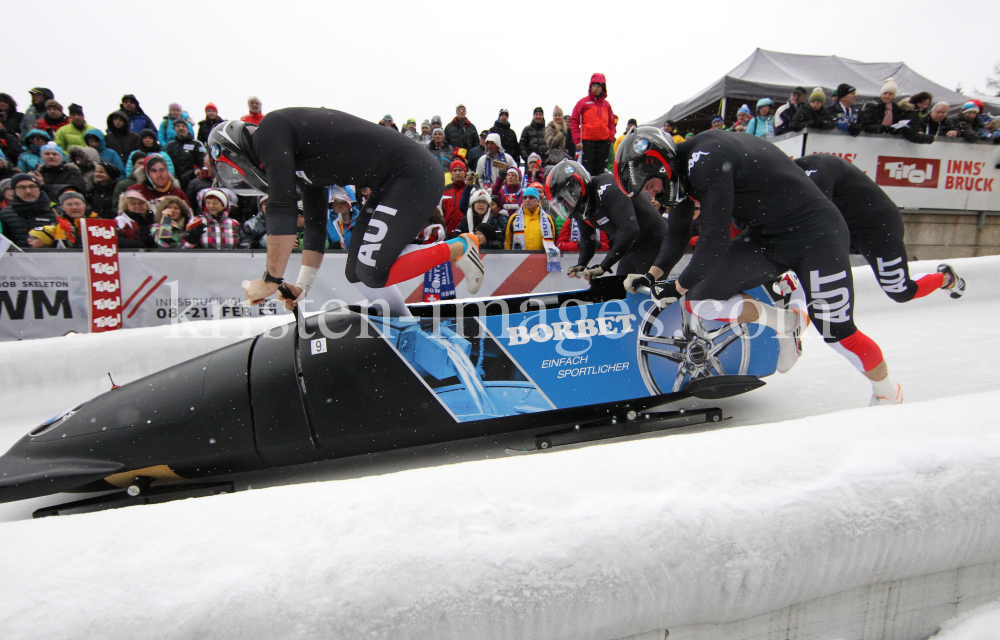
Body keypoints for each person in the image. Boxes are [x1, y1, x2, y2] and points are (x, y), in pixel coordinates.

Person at [616, 126, 903, 406]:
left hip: (817, 235)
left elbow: (713, 239)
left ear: (662, 164)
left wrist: (676, 286)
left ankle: (888, 392)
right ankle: (787, 323)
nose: (652, 195)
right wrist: (652, 276)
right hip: (768, 236)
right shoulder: (680, 176)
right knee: (699, 300)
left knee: (837, 333)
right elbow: (677, 235)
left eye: (650, 185)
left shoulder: (707, 156)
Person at [208, 111, 485, 317]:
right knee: (356, 271)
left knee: (373, 272)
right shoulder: (299, 163)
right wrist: (302, 287)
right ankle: (404, 325)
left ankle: (461, 246)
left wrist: (270, 280)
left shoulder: (270, 130)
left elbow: (281, 207)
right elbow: (315, 229)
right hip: (392, 182)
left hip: (412, 174)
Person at [795, 154, 965, 303]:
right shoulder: (786, 179)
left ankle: (946, 278)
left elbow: (811, 216)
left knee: (901, 291)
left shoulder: (819, 166)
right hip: (843, 229)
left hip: (878, 229)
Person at [546, 158, 667, 278]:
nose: (566, 206)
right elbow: (588, 238)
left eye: (566, 200)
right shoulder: (581, 206)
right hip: (632, 246)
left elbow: (630, 229)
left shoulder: (608, 187)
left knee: (643, 291)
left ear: (577, 189)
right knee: (622, 290)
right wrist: (582, 264)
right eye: (562, 204)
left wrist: (604, 266)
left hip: (653, 242)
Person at [570, 73, 616, 177]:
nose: (595, 89)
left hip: (603, 142)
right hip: (588, 142)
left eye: (598, 86)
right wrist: (577, 141)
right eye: (593, 86)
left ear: (603, 88)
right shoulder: (583, 103)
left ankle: (598, 191)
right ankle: (588, 192)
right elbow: (574, 121)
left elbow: (611, 122)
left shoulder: (606, 105)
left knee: (600, 171)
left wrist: (610, 138)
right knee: (587, 171)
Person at [857, 78, 929, 143]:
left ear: (894, 95)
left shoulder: (896, 109)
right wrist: (886, 128)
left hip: (888, 143)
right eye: (885, 93)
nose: (887, 96)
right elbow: (864, 126)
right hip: (869, 141)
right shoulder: (872, 106)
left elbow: (905, 124)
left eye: (891, 94)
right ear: (881, 94)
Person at [0, 174, 58, 247]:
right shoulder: (5, 213)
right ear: (15, 190)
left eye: (32, 186)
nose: (28, 191)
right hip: (17, 257)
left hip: (49, 256)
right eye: (22, 187)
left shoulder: (55, 211)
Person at [165, 120, 206, 187]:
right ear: (175, 129)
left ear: (187, 128)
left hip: (192, 179)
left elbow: (203, 162)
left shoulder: (197, 144)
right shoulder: (170, 146)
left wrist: (197, 173)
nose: (181, 128)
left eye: (183, 126)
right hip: (175, 180)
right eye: (178, 126)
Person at [441, 160, 468, 235]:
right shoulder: (444, 190)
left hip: (466, 231)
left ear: (465, 171)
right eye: (454, 170)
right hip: (447, 232)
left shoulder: (471, 189)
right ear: (451, 173)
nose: (457, 173)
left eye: (460, 170)